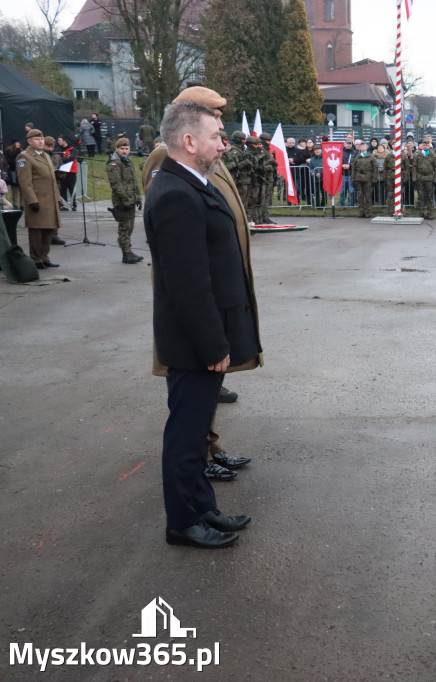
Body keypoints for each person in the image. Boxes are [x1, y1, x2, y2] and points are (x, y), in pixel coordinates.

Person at [144, 100, 258, 549]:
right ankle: (183, 522)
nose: (222, 144)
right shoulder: (175, 194)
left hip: (203, 337)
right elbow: (188, 286)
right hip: (194, 342)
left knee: (193, 431)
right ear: (189, 141)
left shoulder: (190, 184)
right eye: (215, 136)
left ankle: (202, 506)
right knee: (187, 436)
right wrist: (214, 346)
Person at [16, 129, 62, 269]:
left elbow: (52, 180)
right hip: (37, 200)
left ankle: (44, 257)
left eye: (41, 139)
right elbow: (25, 182)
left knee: (49, 230)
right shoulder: (24, 157)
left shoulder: (45, 156)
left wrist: (58, 198)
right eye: (37, 139)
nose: (41, 142)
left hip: (50, 200)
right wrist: (32, 200)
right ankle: (36, 259)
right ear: (29, 141)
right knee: (36, 231)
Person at [106, 137, 144, 264]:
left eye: (126, 149)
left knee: (130, 227)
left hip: (130, 199)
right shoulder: (114, 163)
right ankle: (126, 253)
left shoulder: (127, 161)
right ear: (117, 149)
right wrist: (125, 199)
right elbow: (116, 184)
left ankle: (129, 251)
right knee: (124, 227)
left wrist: (137, 198)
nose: (124, 151)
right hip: (122, 201)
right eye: (122, 149)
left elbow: (133, 181)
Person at [413, 138, 436, 219]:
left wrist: (435, 179)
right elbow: (414, 166)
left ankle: (429, 213)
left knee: (429, 196)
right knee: (421, 196)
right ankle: (421, 212)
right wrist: (414, 177)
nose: (425, 146)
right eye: (423, 145)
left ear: (429, 146)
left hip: (429, 178)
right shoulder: (418, 155)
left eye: (427, 145)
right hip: (420, 178)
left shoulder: (433, 155)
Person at [352, 140, 375, 218]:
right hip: (358, 178)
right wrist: (353, 178)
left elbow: (375, 168)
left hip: (368, 178)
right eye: (360, 146)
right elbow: (353, 169)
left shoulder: (371, 157)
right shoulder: (357, 157)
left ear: (367, 147)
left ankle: (368, 212)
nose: (362, 147)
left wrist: (374, 179)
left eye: (363, 145)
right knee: (360, 196)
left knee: (367, 196)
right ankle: (361, 211)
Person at [340, 138, 356, 207]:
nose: (349, 145)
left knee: (351, 191)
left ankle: (350, 205)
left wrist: (350, 166)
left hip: (351, 174)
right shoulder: (340, 152)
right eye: (347, 143)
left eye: (350, 143)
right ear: (344, 144)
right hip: (343, 174)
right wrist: (342, 165)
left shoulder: (355, 152)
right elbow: (338, 161)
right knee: (342, 191)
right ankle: (342, 205)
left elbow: (356, 162)